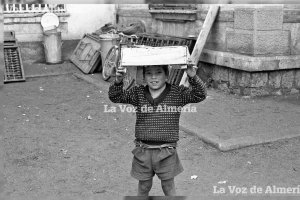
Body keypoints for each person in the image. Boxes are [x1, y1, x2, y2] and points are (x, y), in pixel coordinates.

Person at [108, 64, 207, 196]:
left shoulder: (177, 93)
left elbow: (200, 94)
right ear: (144, 77)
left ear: (167, 75)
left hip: (166, 150)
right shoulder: (138, 93)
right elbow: (116, 97)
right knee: (144, 186)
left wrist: (192, 75)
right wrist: (118, 80)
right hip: (143, 150)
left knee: (168, 186)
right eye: (149, 73)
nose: (153, 77)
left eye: (158, 72)